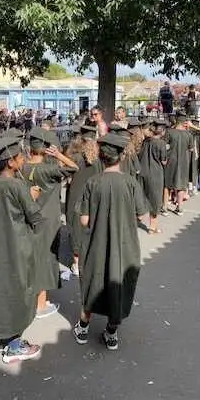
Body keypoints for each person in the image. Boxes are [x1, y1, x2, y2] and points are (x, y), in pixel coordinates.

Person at [73, 133, 148, 350]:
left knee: (93, 283)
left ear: (101, 157)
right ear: (121, 157)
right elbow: (142, 216)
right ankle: (112, 332)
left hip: (97, 244)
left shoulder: (92, 182)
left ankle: (83, 326)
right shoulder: (131, 182)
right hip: (124, 245)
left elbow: (84, 220)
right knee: (119, 284)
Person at [0, 135, 43, 364]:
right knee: (18, 291)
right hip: (15, 246)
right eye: (19, 157)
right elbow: (34, 216)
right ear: (10, 162)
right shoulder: (16, 186)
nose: (23, 159)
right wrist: (33, 196)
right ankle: (14, 345)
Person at [21, 127, 78, 318]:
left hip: (28, 217)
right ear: (46, 148)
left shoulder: (22, 167)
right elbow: (74, 168)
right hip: (48, 219)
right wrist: (59, 155)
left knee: (32, 256)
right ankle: (41, 304)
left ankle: (30, 297)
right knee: (45, 259)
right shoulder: (50, 169)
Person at [65, 126, 102, 276]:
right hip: (93, 197)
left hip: (76, 197)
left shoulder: (75, 158)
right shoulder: (99, 160)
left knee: (76, 227)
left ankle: (76, 263)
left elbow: (67, 178)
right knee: (92, 227)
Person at [139, 119, 167, 233]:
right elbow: (164, 161)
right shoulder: (161, 143)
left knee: (142, 196)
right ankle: (152, 227)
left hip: (143, 171)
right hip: (155, 173)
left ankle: (138, 217)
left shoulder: (145, 141)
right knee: (155, 200)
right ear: (163, 132)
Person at [164, 114, 193, 216]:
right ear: (184, 122)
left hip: (171, 160)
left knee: (167, 184)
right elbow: (191, 149)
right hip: (184, 162)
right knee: (181, 185)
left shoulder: (169, 132)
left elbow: (165, 146)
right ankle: (179, 207)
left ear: (176, 121)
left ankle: (165, 208)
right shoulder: (189, 134)